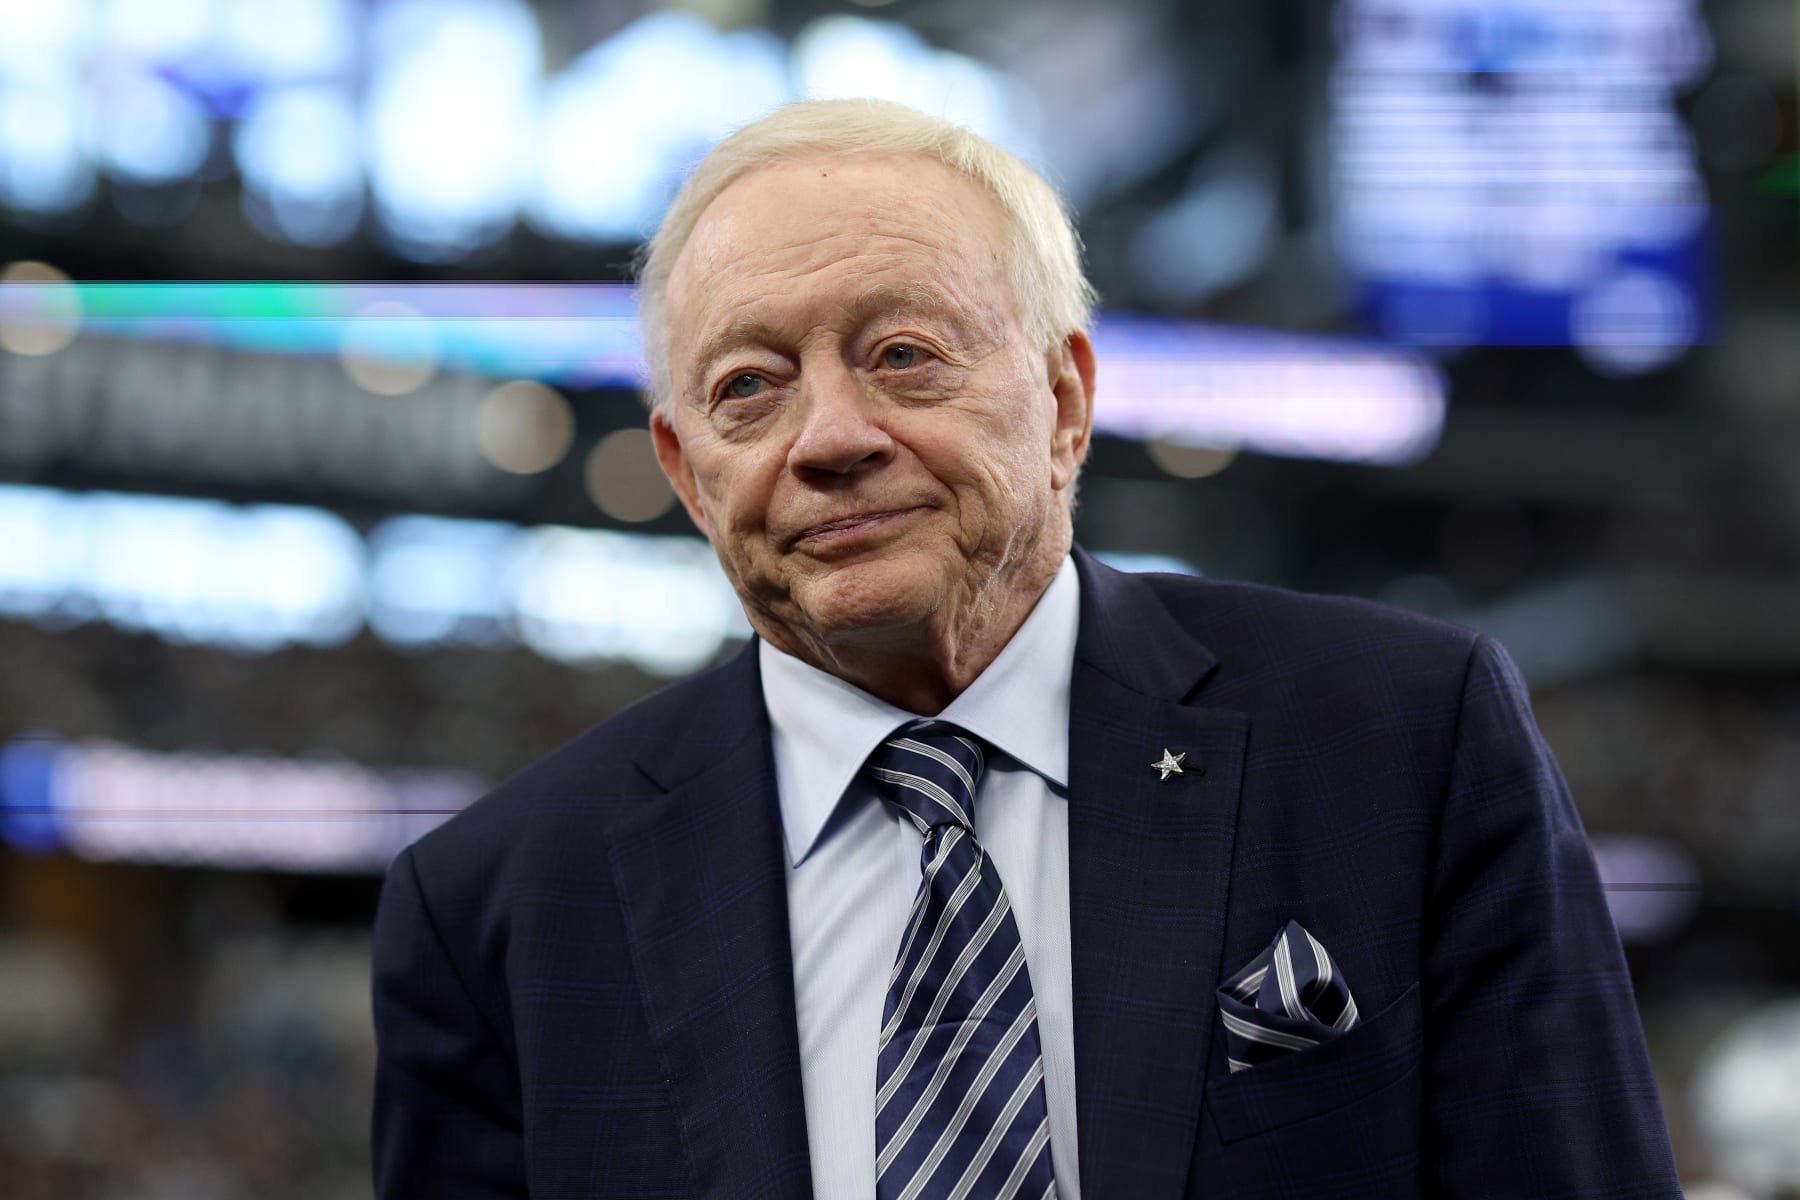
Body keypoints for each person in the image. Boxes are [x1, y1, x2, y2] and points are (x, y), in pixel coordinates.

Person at [371, 99, 1680, 1198]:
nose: (828, 437)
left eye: (902, 355)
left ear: (1065, 401)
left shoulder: (1406, 739)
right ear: (689, 473)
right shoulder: (492, 911)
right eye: (748, 388)